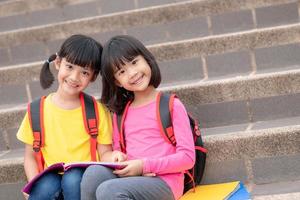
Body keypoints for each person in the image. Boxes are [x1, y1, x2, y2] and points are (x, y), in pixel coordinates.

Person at [80, 35, 195, 200]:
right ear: (117, 82)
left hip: (164, 182)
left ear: (146, 59)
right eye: (122, 71)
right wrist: (117, 156)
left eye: (134, 62)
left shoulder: (170, 105)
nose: (132, 73)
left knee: (108, 191)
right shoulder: (120, 114)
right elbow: (119, 151)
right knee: (93, 173)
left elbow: (187, 158)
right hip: (131, 178)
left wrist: (144, 166)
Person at [17, 34, 119, 200]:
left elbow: (105, 152)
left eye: (84, 72)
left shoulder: (97, 111)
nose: (74, 77)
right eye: (69, 67)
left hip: (83, 178)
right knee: (44, 186)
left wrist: (114, 156)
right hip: (50, 176)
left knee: (73, 179)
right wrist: (32, 183)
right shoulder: (36, 110)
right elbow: (29, 156)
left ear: (93, 77)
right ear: (58, 63)